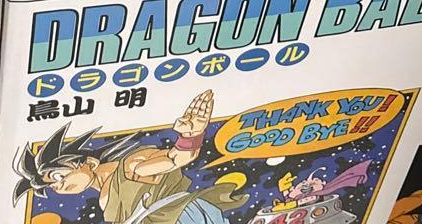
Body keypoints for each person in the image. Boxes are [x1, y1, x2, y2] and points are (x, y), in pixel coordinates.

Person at [13, 90, 249, 223]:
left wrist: (191, 135)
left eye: (57, 175)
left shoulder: (130, 167)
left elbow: (175, 159)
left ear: (89, 162)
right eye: (52, 186)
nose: (58, 185)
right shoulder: (104, 198)